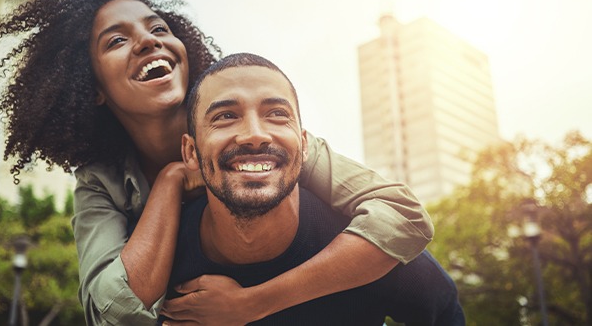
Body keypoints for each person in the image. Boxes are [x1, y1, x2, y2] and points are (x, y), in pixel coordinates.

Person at [0, 0, 434, 325]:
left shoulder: (258, 135)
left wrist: (253, 304)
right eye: (117, 40)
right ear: (91, 87)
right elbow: (113, 312)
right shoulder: (100, 183)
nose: (147, 42)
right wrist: (172, 180)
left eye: (158, 29)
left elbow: (404, 218)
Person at [160, 53, 464, 325]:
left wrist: (251, 304)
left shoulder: (368, 246)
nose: (254, 135)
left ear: (304, 146)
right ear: (190, 152)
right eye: (225, 116)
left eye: (277, 114)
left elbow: (444, 309)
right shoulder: (165, 258)